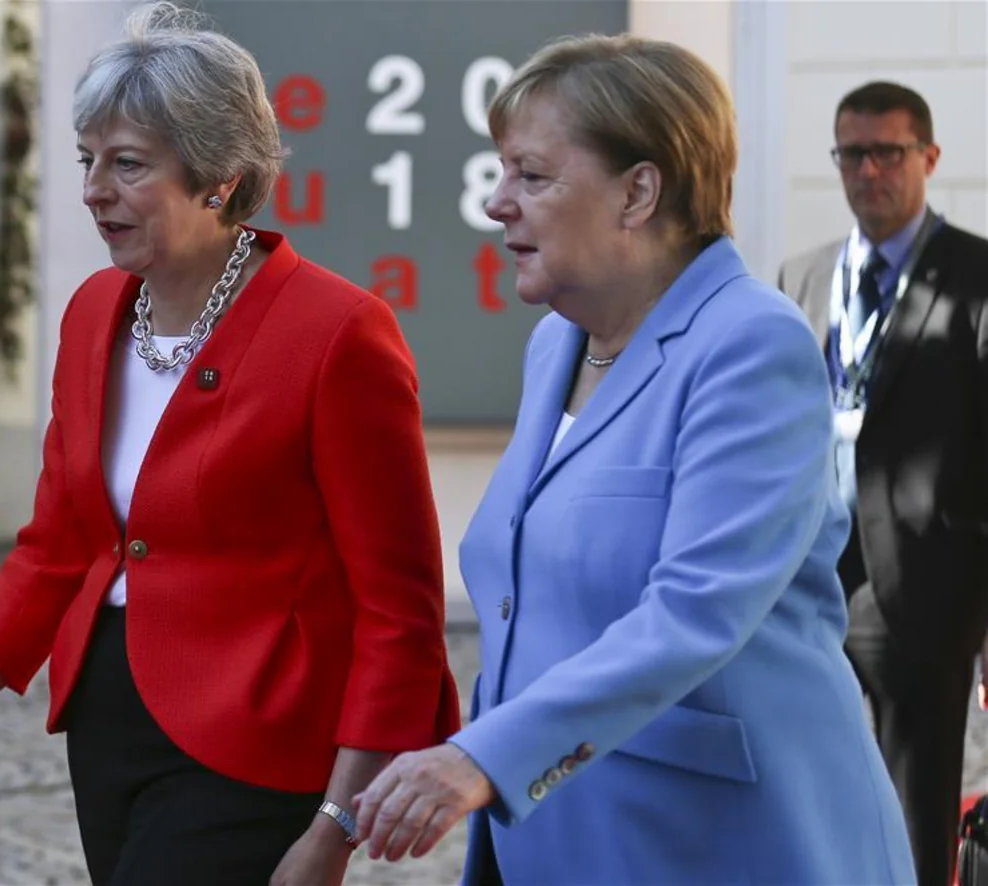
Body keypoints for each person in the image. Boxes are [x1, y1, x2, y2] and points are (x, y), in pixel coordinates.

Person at [0, 4, 460, 884]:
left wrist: (335, 826)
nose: (93, 189)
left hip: (257, 743)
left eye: (128, 165)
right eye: (88, 159)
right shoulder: (94, 314)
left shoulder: (339, 332)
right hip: (106, 726)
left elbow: (400, 608)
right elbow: (55, 551)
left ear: (220, 179)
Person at [352, 34, 917, 885]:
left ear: (638, 192)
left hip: (722, 845)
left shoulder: (751, 344)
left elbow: (696, 611)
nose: (497, 203)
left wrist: (486, 757)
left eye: (532, 176)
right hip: (558, 838)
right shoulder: (556, 346)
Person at [777, 80, 988, 886]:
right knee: (808, 782)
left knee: (916, 795)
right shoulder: (803, 275)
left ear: (928, 158)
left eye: (888, 153)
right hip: (809, 577)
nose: (869, 172)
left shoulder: (976, 275)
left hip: (926, 587)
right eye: (852, 154)